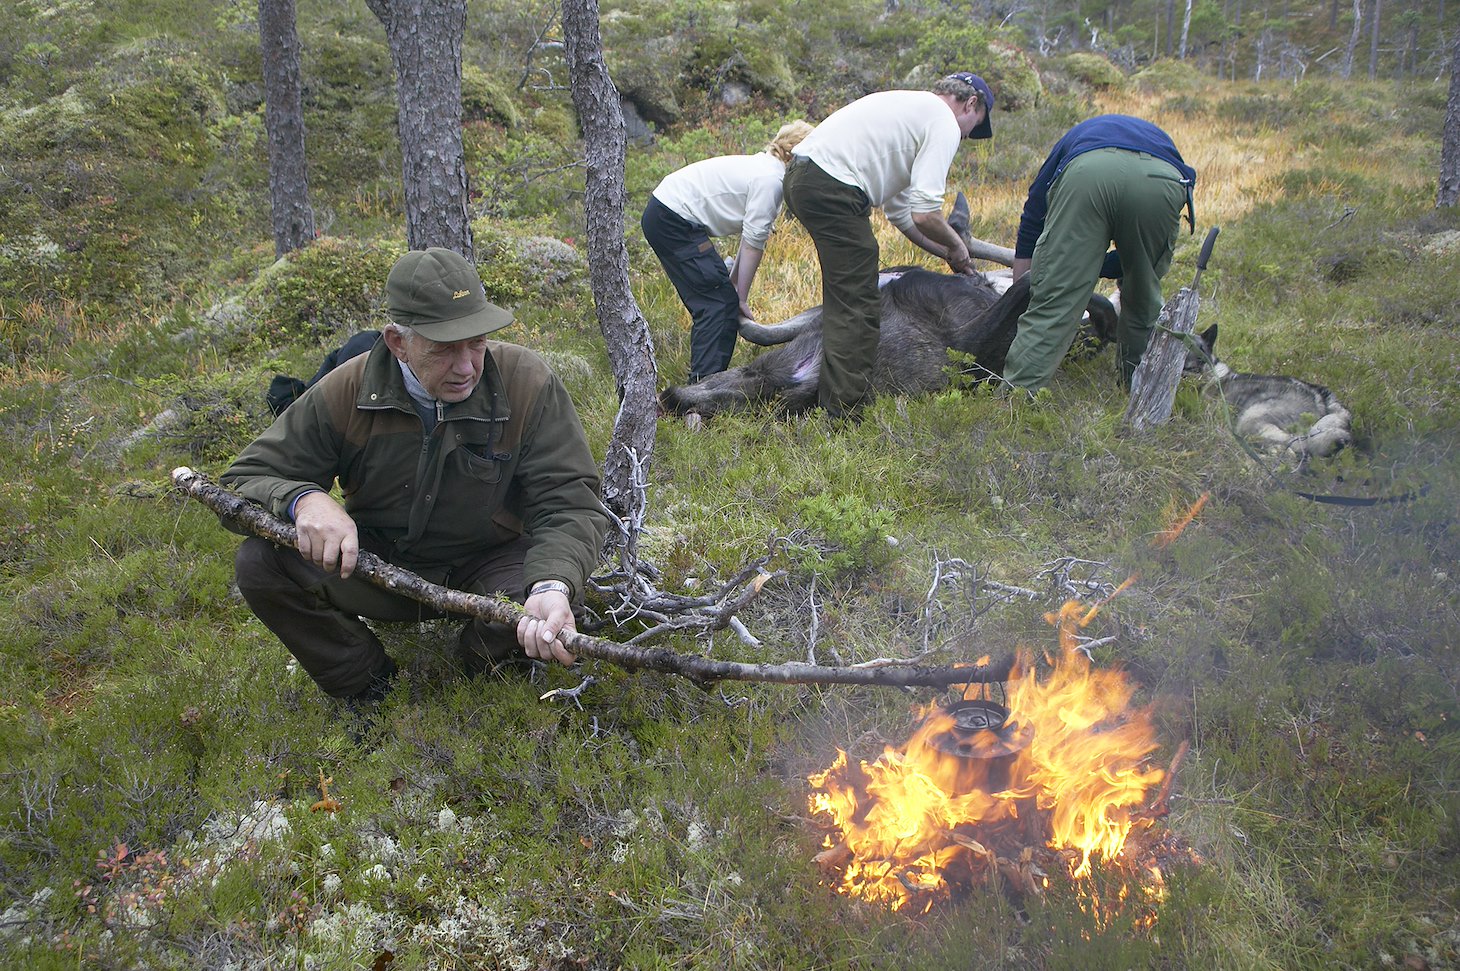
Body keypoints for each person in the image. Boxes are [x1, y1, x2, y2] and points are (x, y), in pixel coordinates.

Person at [221, 247, 610, 703]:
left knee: (555, 597)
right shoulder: (347, 389)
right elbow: (242, 480)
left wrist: (551, 584)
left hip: (493, 561)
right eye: (444, 348)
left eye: (477, 342)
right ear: (397, 341)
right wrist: (304, 500)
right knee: (260, 563)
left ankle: (478, 672)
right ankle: (368, 687)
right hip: (376, 562)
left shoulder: (527, 383)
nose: (466, 367)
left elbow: (570, 502)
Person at [781, 72, 994, 418]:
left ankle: (829, 393)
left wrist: (947, 254)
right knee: (859, 306)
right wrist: (958, 246)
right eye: (974, 126)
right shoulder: (943, 121)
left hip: (803, 176)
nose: (967, 136)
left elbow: (903, 214)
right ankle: (841, 413)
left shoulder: (912, 109)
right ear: (971, 103)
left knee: (847, 296)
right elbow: (926, 213)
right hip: (833, 186)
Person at [1001, 114, 1196, 391]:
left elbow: (1035, 213)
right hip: (1161, 179)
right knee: (1143, 298)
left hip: (1088, 173)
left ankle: (1017, 398)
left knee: (1055, 303)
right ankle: (1138, 390)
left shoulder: (1075, 137)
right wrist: (1120, 267)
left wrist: (1031, 286)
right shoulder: (1158, 138)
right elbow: (1137, 257)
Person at [641, 120, 815, 383]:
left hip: (666, 213)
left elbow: (749, 239)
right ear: (795, 156)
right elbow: (753, 243)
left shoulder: (764, 168)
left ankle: (706, 383)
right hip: (672, 219)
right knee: (717, 304)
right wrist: (739, 297)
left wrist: (733, 285)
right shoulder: (771, 180)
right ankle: (702, 391)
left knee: (720, 298)